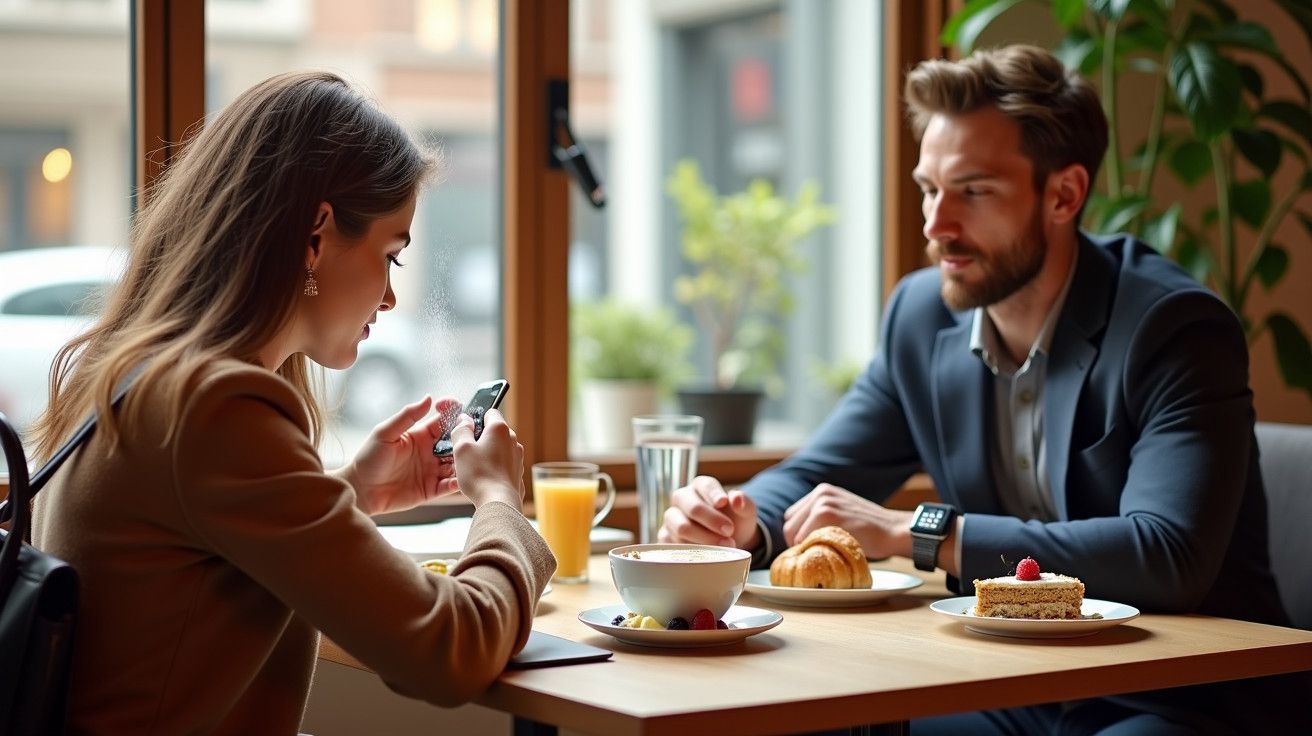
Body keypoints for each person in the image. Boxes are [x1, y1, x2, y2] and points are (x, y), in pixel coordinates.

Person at [660, 45, 1308, 733]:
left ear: (1063, 195)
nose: (936, 226)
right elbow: (822, 473)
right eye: (929, 189)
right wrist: (737, 523)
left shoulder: (1173, 328)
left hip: (1182, 695)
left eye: (973, 191)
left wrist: (916, 533)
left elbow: (1166, 555)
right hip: (1012, 685)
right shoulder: (921, 318)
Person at [29, 70, 554, 734]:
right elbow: (450, 651)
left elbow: (197, 559)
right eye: (391, 256)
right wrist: (500, 500)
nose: (391, 296)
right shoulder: (215, 407)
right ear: (315, 235)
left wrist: (351, 491)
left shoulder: (134, 371)